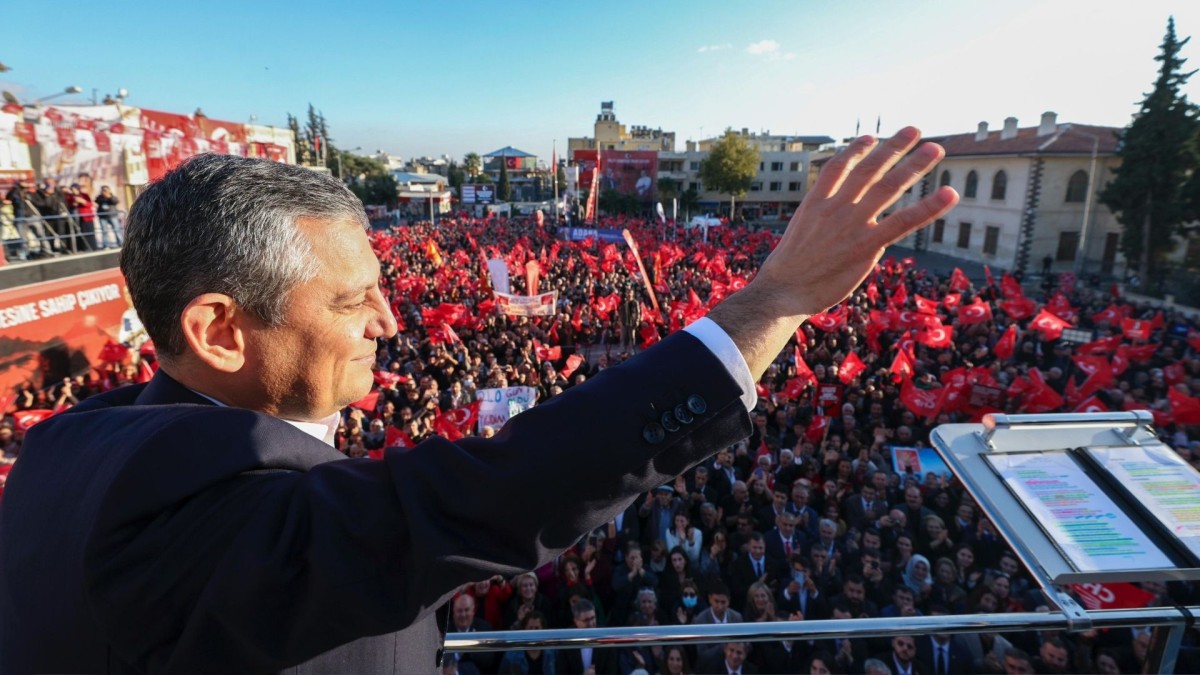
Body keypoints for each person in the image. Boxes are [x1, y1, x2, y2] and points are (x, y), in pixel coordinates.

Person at [0, 129, 957, 672]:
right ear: (217, 329)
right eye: (350, 298)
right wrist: (773, 300)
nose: (389, 319)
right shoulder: (189, 502)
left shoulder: (71, 446)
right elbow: (500, 488)